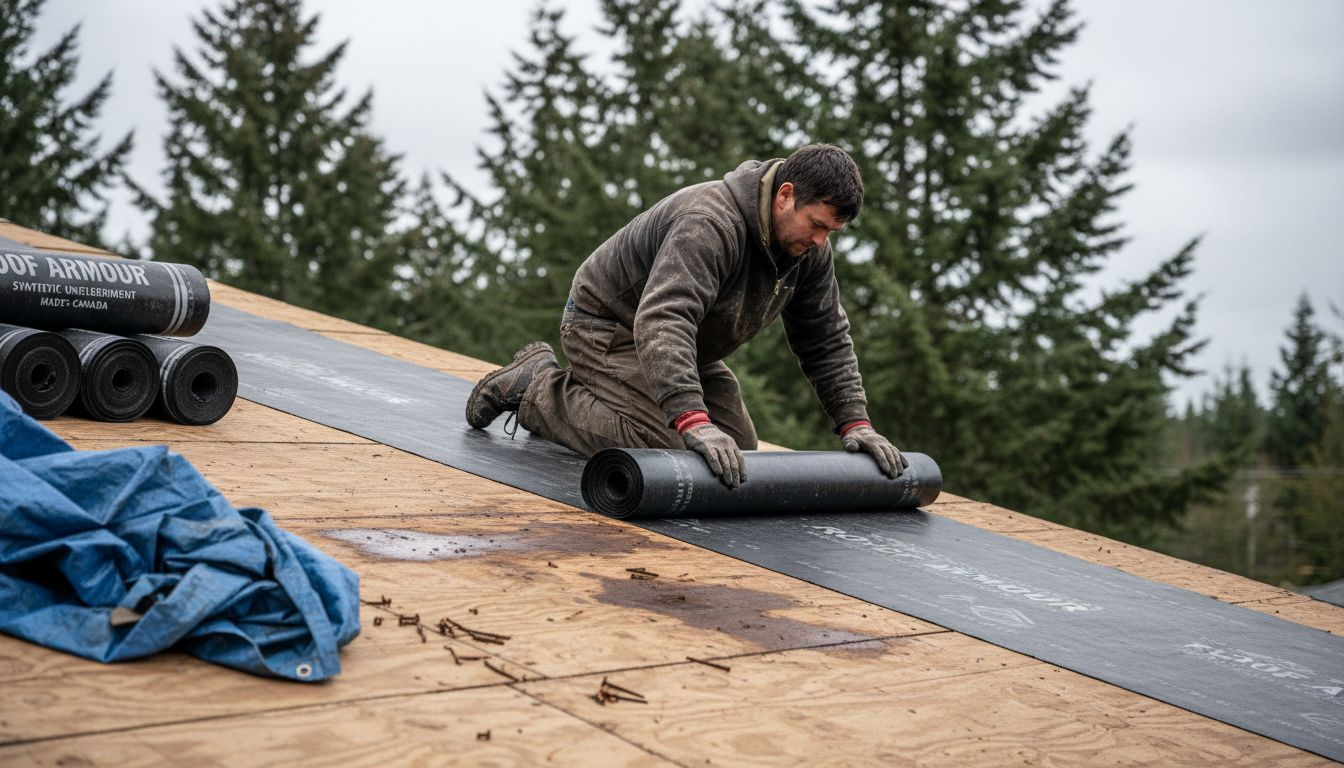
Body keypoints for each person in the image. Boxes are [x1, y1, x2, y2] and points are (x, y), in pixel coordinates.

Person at [465, 143, 907, 487]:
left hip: (682, 344)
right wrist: (692, 419)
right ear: (785, 196)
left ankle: (599, 396)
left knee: (739, 455)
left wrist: (856, 421)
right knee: (672, 446)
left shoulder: (808, 253)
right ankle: (536, 389)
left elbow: (824, 337)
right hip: (607, 325)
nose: (820, 241)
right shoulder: (711, 222)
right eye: (816, 225)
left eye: (831, 232)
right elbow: (664, 318)